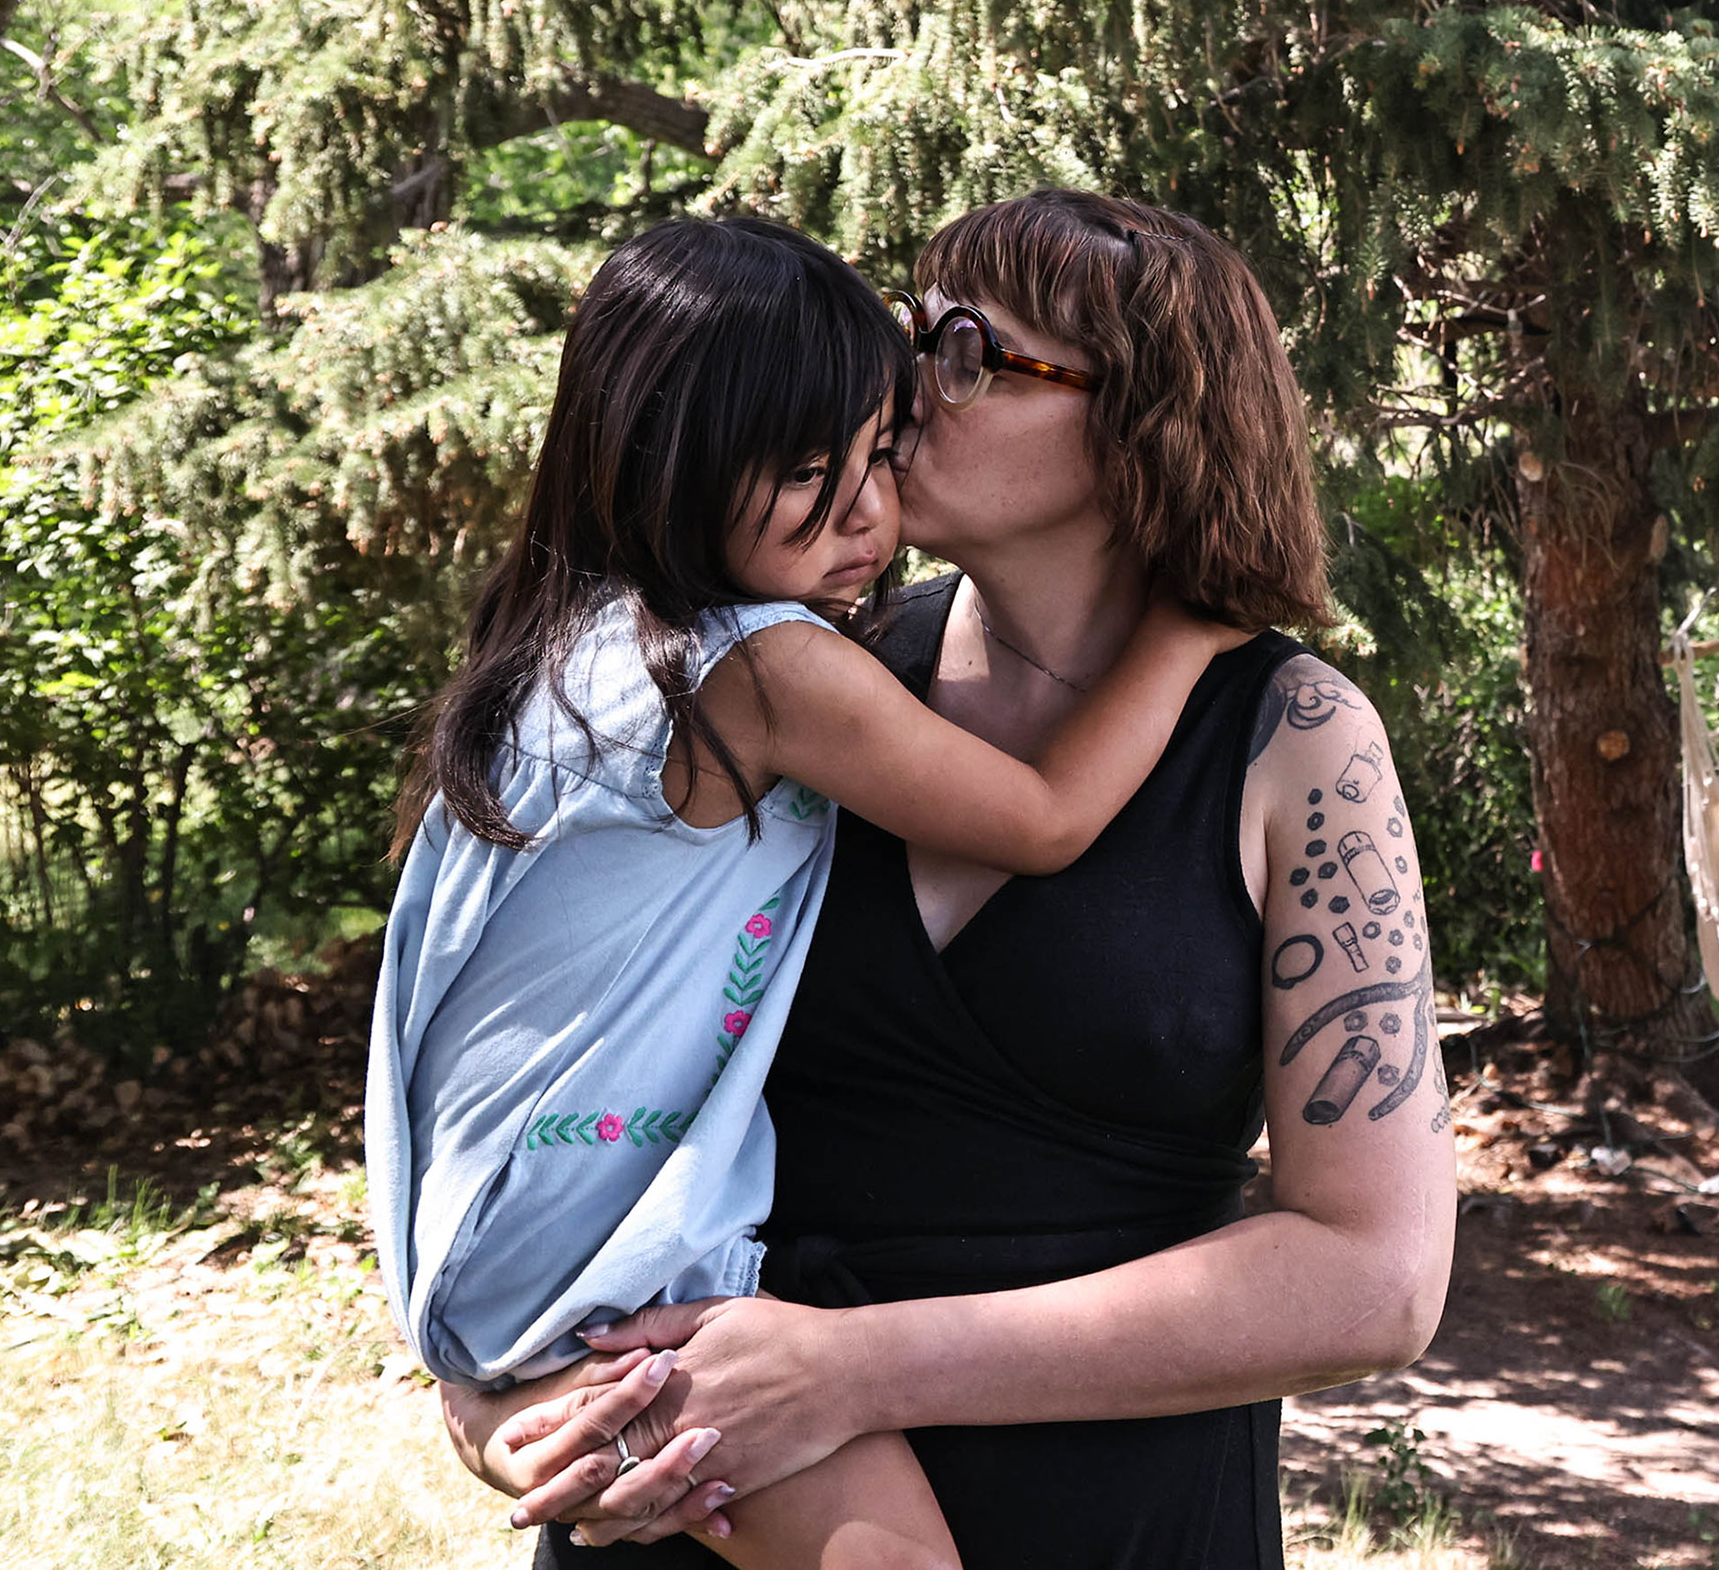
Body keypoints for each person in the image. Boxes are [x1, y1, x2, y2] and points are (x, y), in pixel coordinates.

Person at [433, 191, 1458, 1569]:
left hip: (1115, 1523)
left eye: (971, 350)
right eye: (914, 328)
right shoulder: (782, 684)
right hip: (714, 1508)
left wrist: (861, 1370)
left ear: (1140, 426)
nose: (904, 379)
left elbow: (1373, 1280)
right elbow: (530, 1041)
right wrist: (501, 1386)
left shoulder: (1298, 741)